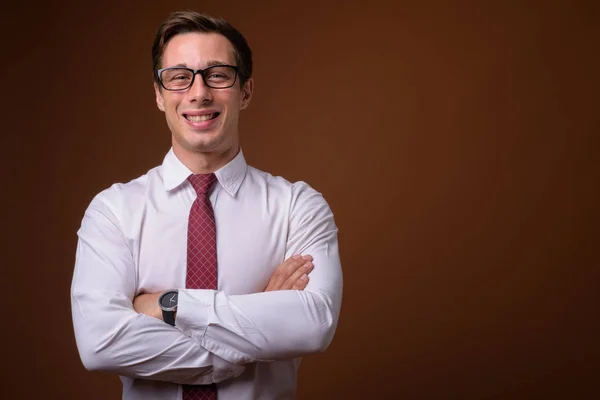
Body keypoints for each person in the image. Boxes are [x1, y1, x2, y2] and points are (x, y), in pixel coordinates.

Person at [70, 10, 343, 400]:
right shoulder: (113, 211)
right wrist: (251, 336)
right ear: (159, 95)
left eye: (217, 74)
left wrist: (169, 306)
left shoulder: (298, 207)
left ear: (245, 91)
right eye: (179, 77)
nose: (199, 93)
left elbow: (313, 325)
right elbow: (100, 343)